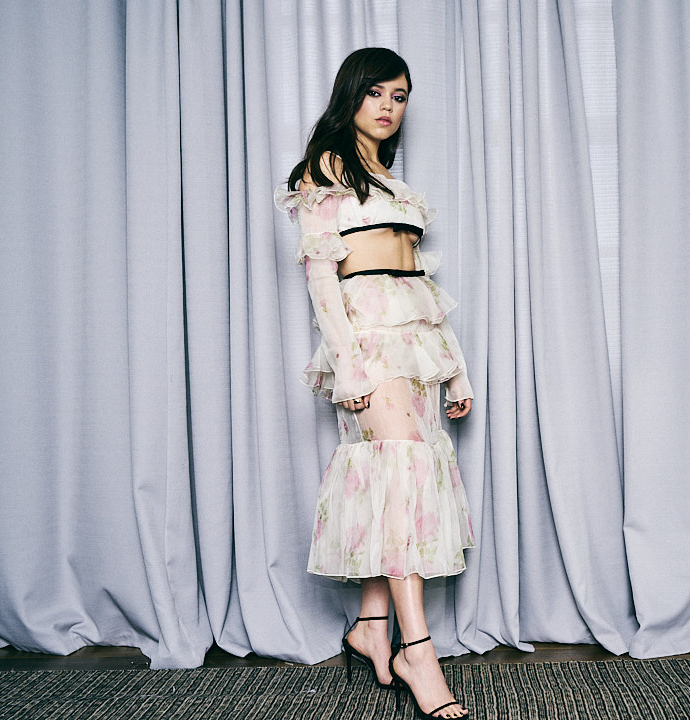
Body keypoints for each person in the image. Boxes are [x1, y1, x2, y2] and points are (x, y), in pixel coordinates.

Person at [275, 48, 474, 719]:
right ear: (351, 96)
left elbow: (418, 287)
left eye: (400, 95)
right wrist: (350, 367)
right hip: (364, 345)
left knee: (398, 483)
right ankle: (418, 649)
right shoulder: (326, 169)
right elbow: (322, 280)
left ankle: (370, 624)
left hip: (416, 347)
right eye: (376, 93)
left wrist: (455, 368)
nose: (389, 107)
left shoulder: (395, 185)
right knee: (400, 474)